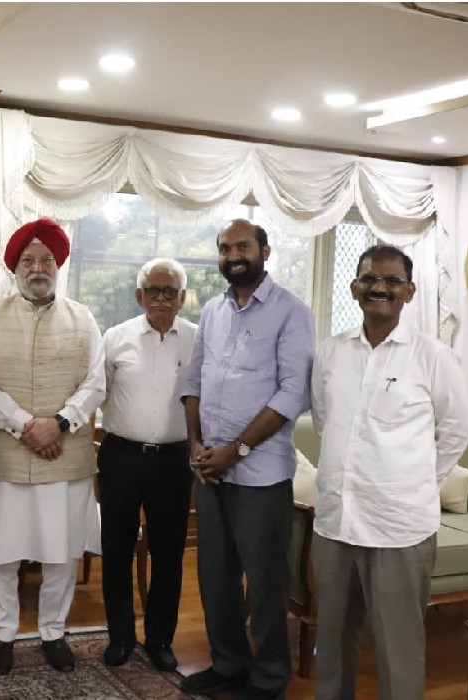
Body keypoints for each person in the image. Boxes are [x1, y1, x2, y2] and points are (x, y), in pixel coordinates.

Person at [310, 245, 468, 700]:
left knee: (399, 649)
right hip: (336, 521)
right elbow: (325, 420)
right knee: (334, 642)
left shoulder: (433, 356)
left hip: (399, 527)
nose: (379, 287)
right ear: (354, 286)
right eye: (369, 279)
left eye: (391, 281)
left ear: (410, 291)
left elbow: (455, 433)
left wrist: (411, 483)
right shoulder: (332, 351)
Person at [180, 218, 315, 700]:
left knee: (265, 584)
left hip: (259, 475)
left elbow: (291, 393)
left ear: (264, 251)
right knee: (215, 577)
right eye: (224, 248)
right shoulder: (213, 312)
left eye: (242, 246)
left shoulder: (292, 313)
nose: (233, 254)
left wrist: (235, 450)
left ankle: (269, 677)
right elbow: (193, 381)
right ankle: (229, 665)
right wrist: (196, 445)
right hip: (210, 471)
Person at [0, 217, 105, 676]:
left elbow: (96, 383)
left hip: (64, 456)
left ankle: (53, 631)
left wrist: (59, 424)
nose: (38, 267)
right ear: (15, 268)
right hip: (6, 454)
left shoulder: (83, 318)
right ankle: (3, 632)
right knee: (1, 551)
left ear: (58, 265)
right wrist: (28, 426)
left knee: (61, 551)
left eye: (46, 259)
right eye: (28, 260)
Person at [98, 257, 197, 671]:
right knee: (116, 550)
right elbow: (94, 395)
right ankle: (120, 637)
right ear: (139, 296)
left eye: (169, 291)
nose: (160, 298)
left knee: (168, 553)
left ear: (182, 298)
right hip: (120, 455)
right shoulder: (115, 338)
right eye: (152, 291)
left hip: (174, 461)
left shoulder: (198, 340)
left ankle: (160, 639)